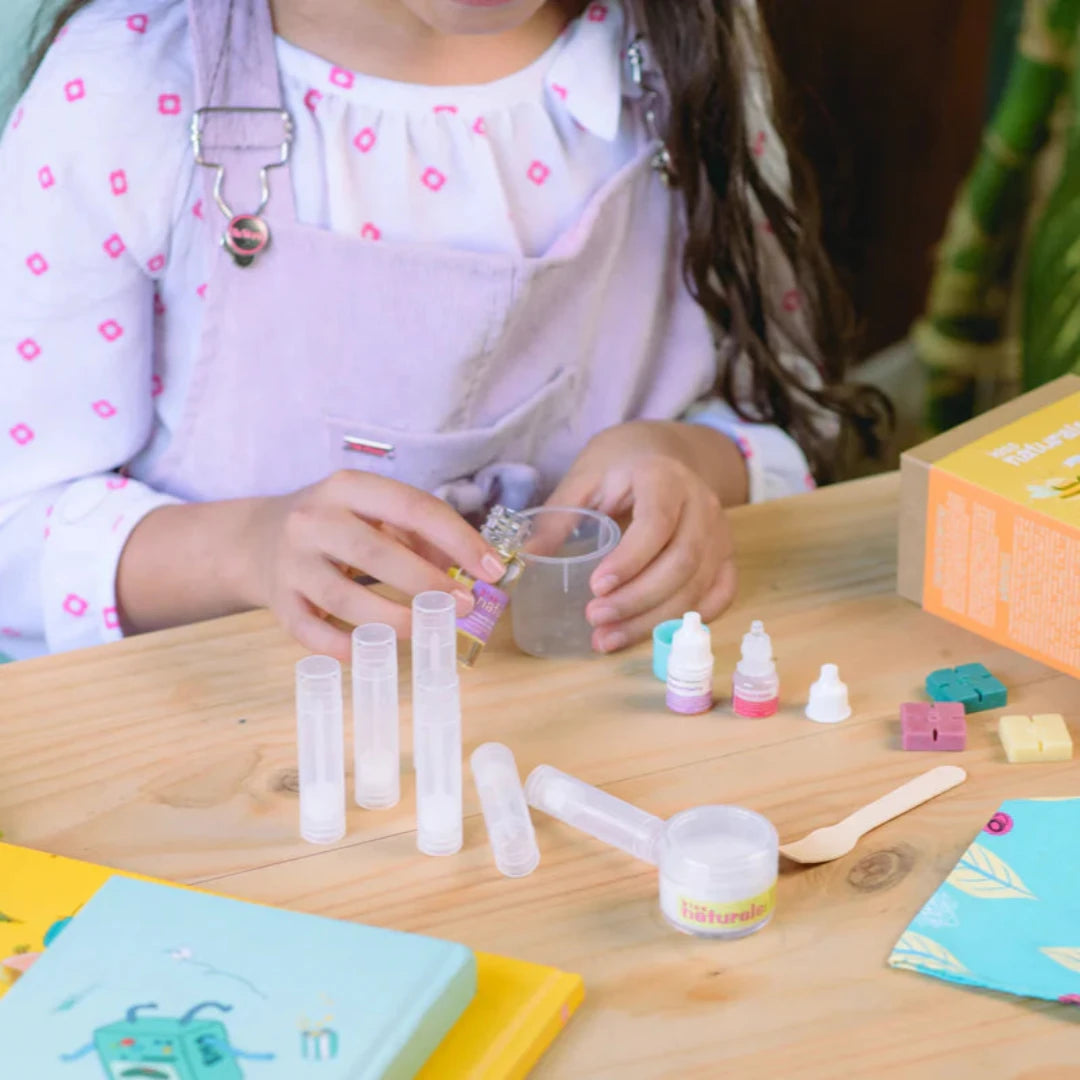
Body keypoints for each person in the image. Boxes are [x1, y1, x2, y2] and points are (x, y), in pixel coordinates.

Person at [0, 0, 883, 663]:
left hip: (605, 730)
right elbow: (15, 534)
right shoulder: (124, 95)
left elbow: (791, 410)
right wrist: (249, 549)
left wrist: (690, 465)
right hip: (228, 756)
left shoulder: (684, 42)